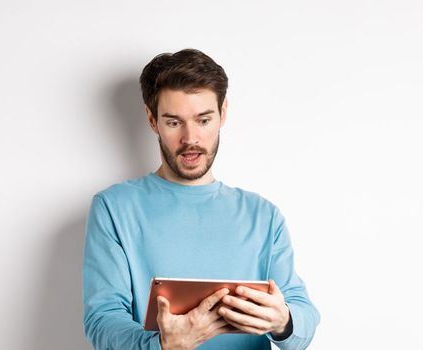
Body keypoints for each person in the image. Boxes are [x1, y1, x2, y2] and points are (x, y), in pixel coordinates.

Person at [82, 48, 320, 349]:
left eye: (203, 120)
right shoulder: (114, 208)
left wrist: (284, 320)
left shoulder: (263, 215)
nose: (190, 138)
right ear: (152, 120)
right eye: (173, 122)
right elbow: (102, 320)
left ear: (223, 114)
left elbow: (303, 321)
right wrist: (163, 346)